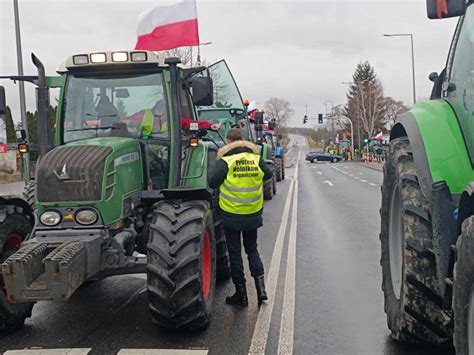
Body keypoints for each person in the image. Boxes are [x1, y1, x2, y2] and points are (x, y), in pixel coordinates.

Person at [208, 128, 273, 306]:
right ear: (242, 140)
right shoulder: (255, 159)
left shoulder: (226, 161)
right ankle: (261, 291)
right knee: (252, 250)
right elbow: (268, 174)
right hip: (252, 213)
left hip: (231, 214)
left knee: (235, 253)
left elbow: (212, 182)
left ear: (229, 142)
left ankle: (241, 294)